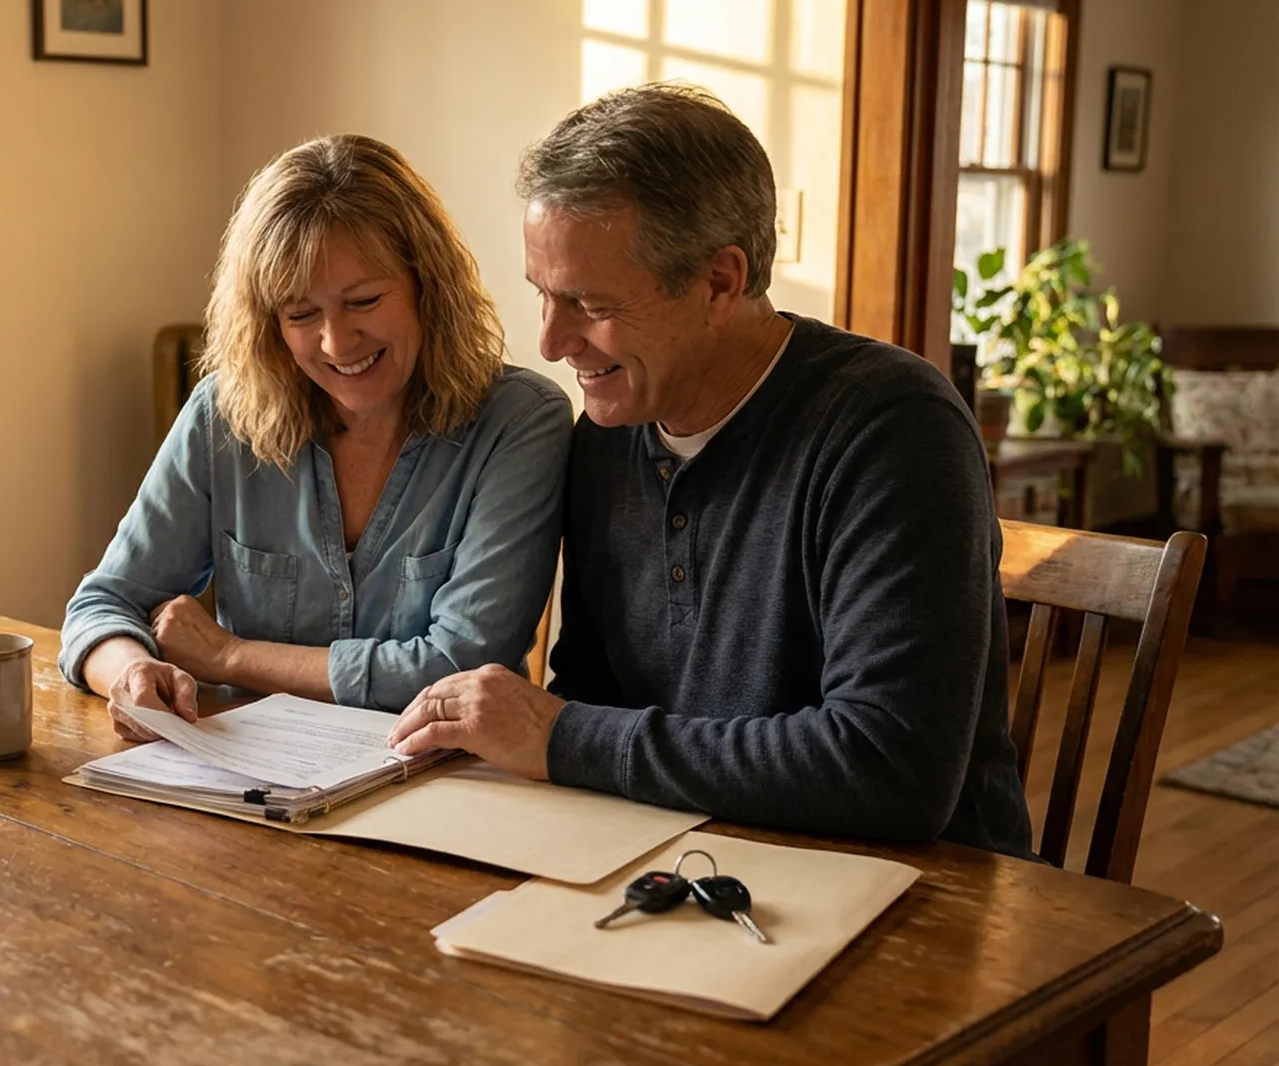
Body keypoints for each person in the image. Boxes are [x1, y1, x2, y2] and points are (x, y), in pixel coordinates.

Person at [388, 84, 1035, 856]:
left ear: (721, 284)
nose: (553, 343)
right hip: (682, 858)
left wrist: (557, 737)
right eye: (544, 295)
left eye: (591, 304)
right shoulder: (609, 436)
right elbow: (594, 697)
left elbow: (890, 770)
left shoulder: (892, 428)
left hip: (923, 888)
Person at [60, 135, 572, 738]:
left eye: (364, 301)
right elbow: (102, 605)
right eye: (301, 314)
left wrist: (229, 656)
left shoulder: (521, 421)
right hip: (247, 775)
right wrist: (131, 671)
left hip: (443, 779)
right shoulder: (223, 414)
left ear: (427, 285)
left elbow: (460, 666)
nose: (336, 342)